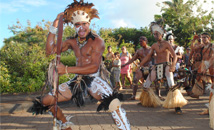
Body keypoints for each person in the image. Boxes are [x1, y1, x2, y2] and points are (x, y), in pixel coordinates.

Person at [30, 1, 130, 130]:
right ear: (74, 26)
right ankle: (66, 125)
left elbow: (94, 67)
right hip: (77, 81)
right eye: (77, 24)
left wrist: (66, 69)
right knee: (45, 101)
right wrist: (54, 25)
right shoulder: (71, 41)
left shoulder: (98, 42)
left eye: (84, 24)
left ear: (89, 23)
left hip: (94, 80)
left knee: (114, 104)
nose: (81, 28)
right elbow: (50, 51)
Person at [138, 22, 187, 114]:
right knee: (146, 84)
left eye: (157, 34)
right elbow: (148, 56)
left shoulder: (167, 44)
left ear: (162, 34)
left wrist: (172, 65)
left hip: (167, 65)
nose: (155, 36)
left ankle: (177, 106)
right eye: (154, 34)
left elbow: (175, 56)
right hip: (157, 66)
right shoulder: (154, 45)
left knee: (171, 83)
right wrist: (140, 64)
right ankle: (146, 101)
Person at [197, 32, 213, 116]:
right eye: (202, 37)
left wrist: (206, 67)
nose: (203, 39)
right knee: (211, 88)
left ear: (209, 38)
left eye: (205, 37)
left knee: (212, 87)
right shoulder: (203, 46)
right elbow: (194, 49)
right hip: (205, 67)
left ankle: (210, 108)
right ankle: (210, 108)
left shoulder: (212, 46)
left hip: (211, 68)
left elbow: (213, 58)